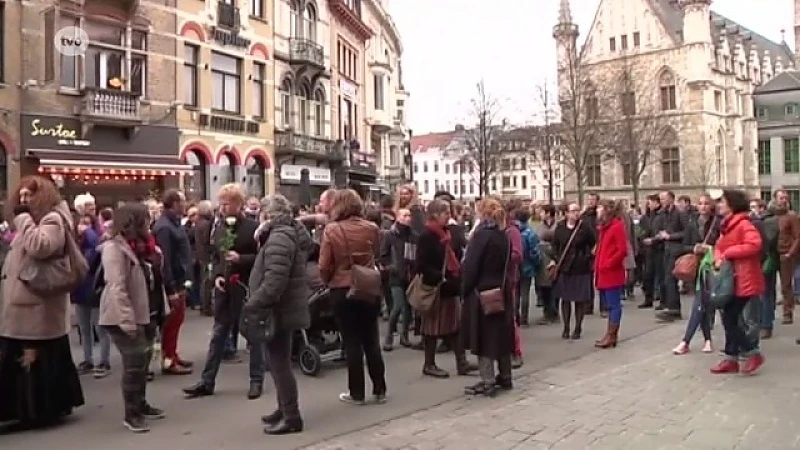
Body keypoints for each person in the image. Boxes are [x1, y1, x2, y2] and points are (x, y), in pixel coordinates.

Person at [0, 176, 85, 427]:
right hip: (23, 303)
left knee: (35, 359)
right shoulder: (33, 222)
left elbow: (41, 246)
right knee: (19, 359)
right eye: (22, 196)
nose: (24, 200)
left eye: (30, 196)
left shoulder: (52, 219)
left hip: (37, 305)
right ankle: (26, 409)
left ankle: (39, 410)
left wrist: (24, 219)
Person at [183, 184, 263, 400]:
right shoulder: (218, 227)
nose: (223, 207)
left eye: (227, 203)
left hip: (245, 287)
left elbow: (262, 258)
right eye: (221, 202)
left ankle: (256, 380)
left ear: (239, 204)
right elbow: (217, 256)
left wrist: (242, 259)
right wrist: (217, 275)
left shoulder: (253, 227)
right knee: (218, 334)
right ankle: (207, 380)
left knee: (252, 335)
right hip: (224, 288)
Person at [241, 194, 311, 435]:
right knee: (277, 361)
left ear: (267, 215)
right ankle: (284, 408)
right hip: (283, 307)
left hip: (278, 309)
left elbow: (274, 281)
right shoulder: (287, 233)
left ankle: (291, 416)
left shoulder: (280, 237)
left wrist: (254, 302)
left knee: (279, 364)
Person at [99, 203, 166, 433]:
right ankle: (132, 414)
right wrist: (127, 321)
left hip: (146, 309)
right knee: (134, 363)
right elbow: (117, 287)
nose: (149, 223)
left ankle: (141, 403)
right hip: (123, 314)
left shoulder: (146, 246)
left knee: (144, 360)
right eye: (145, 220)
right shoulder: (114, 248)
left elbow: (153, 276)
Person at [319, 189, 387, 405]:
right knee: (371, 339)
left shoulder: (332, 230)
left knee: (352, 342)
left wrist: (328, 279)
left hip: (342, 287)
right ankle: (380, 388)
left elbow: (324, 265)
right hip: (367, 284)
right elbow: (375, 253)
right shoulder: (372, 228)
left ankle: (357, 393)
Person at [414, 199, 477, 378]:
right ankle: (429, 364)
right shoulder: (426, 236)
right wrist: (439, 278)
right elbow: (421, 264)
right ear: (435, 214)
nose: (449, 216)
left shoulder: (447, 233)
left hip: (451, 286)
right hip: (436, 287)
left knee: (456, 326)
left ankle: (462, 363)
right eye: (445, 213)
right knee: (433, 329)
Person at [461, 197, 514, 396]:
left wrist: (464, 289)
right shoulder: (503, 235)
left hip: (482, 291)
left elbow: (471, 266)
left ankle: (488, 380)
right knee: (500, 335)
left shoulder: (482, 235)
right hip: (501, 289)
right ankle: (505, 376)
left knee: (483, 337)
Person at [710, 190, 766, 375]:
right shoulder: (726, 225)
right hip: (731, 279)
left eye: (723, 202)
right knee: (729, 317)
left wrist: (729, 253)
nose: (719, 205)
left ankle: (752, 352)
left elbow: (754, 245)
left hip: (744, 279)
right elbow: (719, 246)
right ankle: (731, 358)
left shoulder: (743, 224)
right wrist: (718, 257)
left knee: (730, 319)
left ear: (732, 205)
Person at [673, 194, 720, 355]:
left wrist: (709, 248)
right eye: (700, 204)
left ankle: (686, 341)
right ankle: (707, 340)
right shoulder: (692, 222)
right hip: (696, 268)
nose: (703, 207)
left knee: (701, 305)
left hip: (712, 267)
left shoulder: (717, 223)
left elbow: (722, 244)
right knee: (702, 305)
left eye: (706, 204)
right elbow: (683, 245)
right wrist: (694, 248)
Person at [152, 190, 193, 375]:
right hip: (173, 281)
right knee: (171, 322)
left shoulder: (174, 223)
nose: (185, 205)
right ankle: (168, 360)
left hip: (180, 278)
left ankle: (172, 355)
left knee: (177, 320)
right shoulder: (164, 227)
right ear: (174, 203)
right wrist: (170, 287)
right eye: (183, 202)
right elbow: (165, 259)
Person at [72, 213, 111, 378]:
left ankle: (104, 361)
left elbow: (90, 260)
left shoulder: (97, 244)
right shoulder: (75, 246)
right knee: (84, 329)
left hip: (94, 291)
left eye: (87, 223)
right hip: (80, 291)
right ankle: (88, 359)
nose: (83, 227)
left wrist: (87, 232)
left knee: (99, 328)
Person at [549, 202, 596, 340]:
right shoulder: (560, 228)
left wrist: (587, 257)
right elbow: (555, 246)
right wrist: (556, 260)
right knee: (566, 299)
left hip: (580, 268)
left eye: (577, 210)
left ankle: (578, 328)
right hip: (564, 268)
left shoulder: (584, 228)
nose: (576, 213)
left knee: (579, 300)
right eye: (573, 210)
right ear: (566, 213)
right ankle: (566, 327)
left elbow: (594, 244)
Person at [593, 199, 629, 349]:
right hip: (603, 272)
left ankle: (612, 335)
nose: (597, 211)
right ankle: (609, 334)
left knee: (614, 305)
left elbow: (623, 250)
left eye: (600, 208)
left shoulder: (617, 226)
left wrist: (608, 263)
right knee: (609, 304)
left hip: (611, 273)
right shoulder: (604, 228)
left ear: (607, 210)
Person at [382, 208, 416, 351]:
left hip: (409, 275)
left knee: (408, 308)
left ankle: (405, 336)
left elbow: (415, 255)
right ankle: (389, 336)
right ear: (397, 217)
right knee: (398, 306)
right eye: (404, 215)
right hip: (395, 276)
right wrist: (391, 267)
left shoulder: (413, 235)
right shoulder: (390, 235)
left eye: (409, 215)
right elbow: (383, 255)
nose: (408, 218)